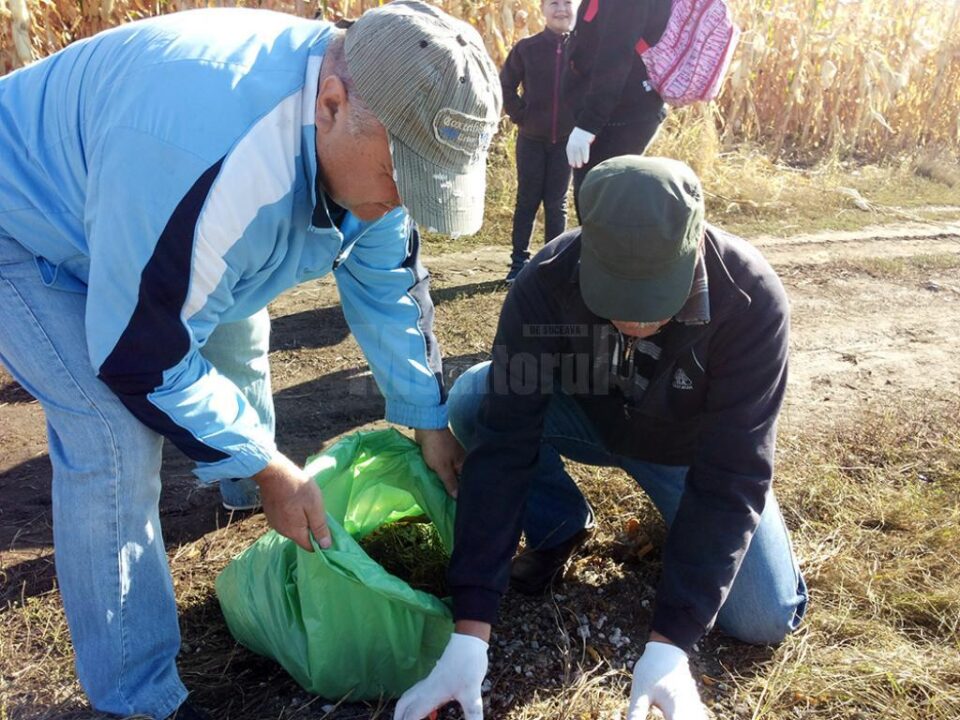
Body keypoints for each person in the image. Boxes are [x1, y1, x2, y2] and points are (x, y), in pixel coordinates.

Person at [0, 2, 501, 717]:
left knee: (234, 319)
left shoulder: (375, 122)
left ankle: (242, 489)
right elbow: (139, 351)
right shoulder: (207, 155)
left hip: (145, 209)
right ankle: (136, 697)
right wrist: (270, 466)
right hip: (23, 221)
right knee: (109, 433)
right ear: (331, 104)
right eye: (401, 175)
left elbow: (387, 278)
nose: (401, 202)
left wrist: (428, 416)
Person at [394, 156, 808, 720]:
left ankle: (687, 532)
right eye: (617, 300)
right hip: (588, 421)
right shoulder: (545, 279)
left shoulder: (751, 301)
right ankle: (561, 523)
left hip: (689, 455)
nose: (635, 323)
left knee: (763, 617)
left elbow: (735, 472)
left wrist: (669, 646)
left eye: (655, 302)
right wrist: (470, 632)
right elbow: (506, 443)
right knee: (474, 399)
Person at [563, 0, 673, 219]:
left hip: (619, 117)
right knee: (605, 207)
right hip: (623, 111)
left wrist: (588, 125)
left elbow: (615, 55)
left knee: (601, 209)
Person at [499, 0, 578, 283]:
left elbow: (597, 86)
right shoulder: (527, 48)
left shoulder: (583, 48)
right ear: (542, 10)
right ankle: (519, 263)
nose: (561, 9)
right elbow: (505, 84)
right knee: (527, 200)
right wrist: (521, 115)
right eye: (553, 3)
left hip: (568, 141)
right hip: (531, 139)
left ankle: (552, 263)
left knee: (557, 203)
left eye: (567, 2)